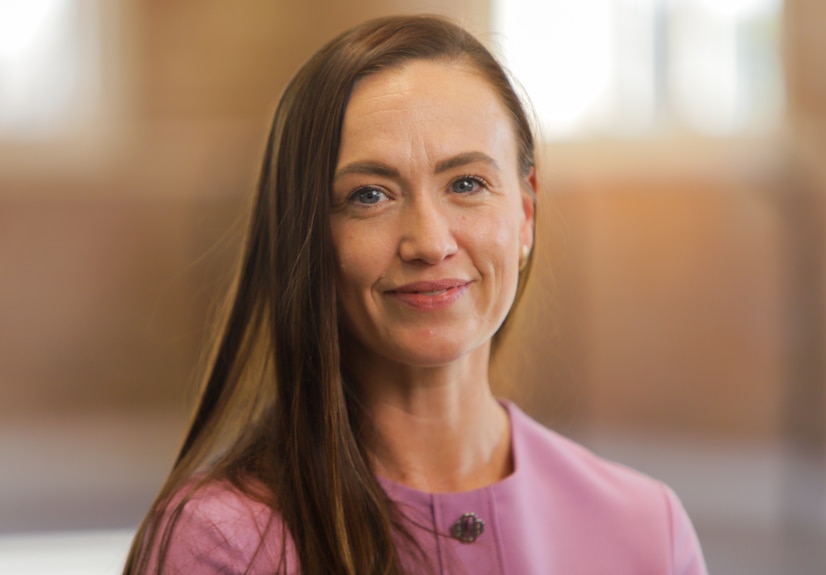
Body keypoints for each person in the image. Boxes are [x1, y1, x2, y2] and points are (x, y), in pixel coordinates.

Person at [124, 14, 708, 575]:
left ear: (525, 214)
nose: (429, 243)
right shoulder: (220, 545)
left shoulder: (647, 528)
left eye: (467, 183)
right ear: (305, 234)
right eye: (370, 196)